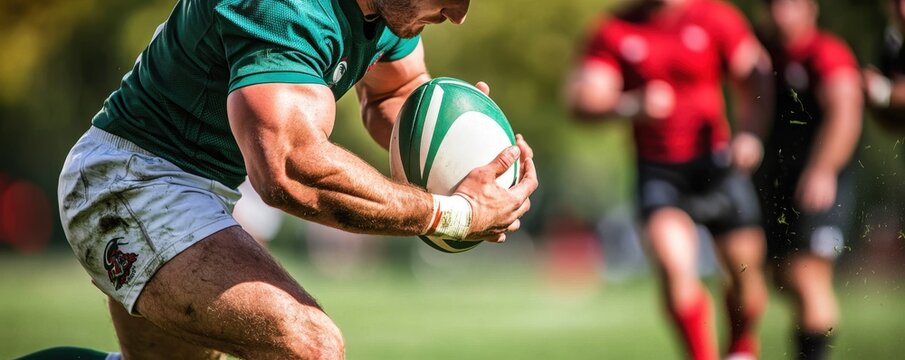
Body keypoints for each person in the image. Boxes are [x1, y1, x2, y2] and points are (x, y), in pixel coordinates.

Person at [50, 0, 539, 358]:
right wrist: (454, 214)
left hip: (194, 191)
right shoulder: (285, 6)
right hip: (128, 183)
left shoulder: (393, 11)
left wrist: (460, 153)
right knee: (309, 347)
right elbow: (289, 170)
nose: (458, 13)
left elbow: (396, 92)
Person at [568, 0, 772, 359]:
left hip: (717, 165)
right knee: (674, 270)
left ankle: (741, 349)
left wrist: (751, 134)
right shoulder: (616, 29)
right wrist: (631, 105)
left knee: (746, 276)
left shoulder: (716, 16)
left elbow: (757, 76)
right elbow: (581, 100)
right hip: (659, 171)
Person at [755, 1, 863, 359]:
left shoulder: (825, 52)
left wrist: (823, 169)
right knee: (780, 275)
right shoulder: (764, 52)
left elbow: (845, 113)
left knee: (807, 276)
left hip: (819, 182)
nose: (779, 12)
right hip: (777, 182)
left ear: (810, 8)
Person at [865, 0, 905, 128]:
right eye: (897, 2)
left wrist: (881, 90)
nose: (902, 10)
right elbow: (893, 124)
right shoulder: (892, 44)